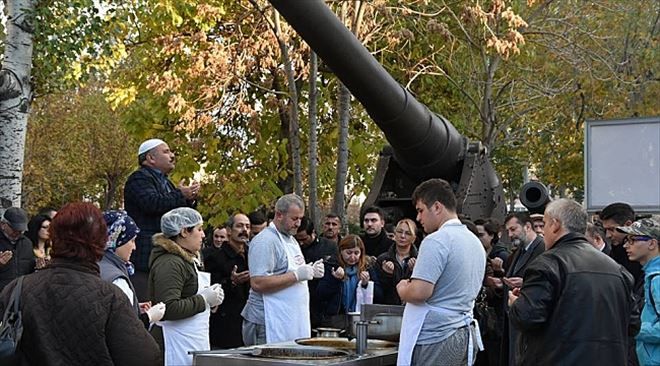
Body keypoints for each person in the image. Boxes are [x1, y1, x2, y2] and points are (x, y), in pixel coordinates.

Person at [0, 202, 161, 365]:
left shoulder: (17, 289)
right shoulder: (110, 296)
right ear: (100, 241)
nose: (134, 246)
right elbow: (145, 356)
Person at [508, 199, 634, 365]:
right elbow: (632, 323)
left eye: (544, 224)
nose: (542, 231)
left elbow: (528, 317)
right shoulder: (617, 269)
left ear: (555, 224)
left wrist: (516, 304)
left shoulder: (547, 264)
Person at [396, 178, 485, 366]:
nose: (418, 218)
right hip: (463, 334)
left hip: (437, 338)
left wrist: (403, 288)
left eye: (420, 210)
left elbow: (420, 292)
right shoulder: (474, 241)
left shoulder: (436, 240)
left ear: (437, 207)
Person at [241, 194, 324, 345]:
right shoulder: (265, 241)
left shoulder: (290, 239)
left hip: (288, 319)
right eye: (294, 219)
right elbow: (258, 283)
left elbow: (287, 271)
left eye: (300, 218)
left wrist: (311, 271)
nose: (298, 223)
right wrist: (297, 275)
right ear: (279, 215)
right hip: (267, 321)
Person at [124, 138, 200, 300]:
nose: (172, 156)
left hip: (163, 258)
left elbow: (178, 217)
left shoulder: (167, 182)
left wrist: (189, 199)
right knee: (146, 306)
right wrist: (181, 194)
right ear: (150, 158)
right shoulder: (138, 178)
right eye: (166, 152)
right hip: (145, 257)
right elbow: (152, 203)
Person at [149, 207, 224, 366]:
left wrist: (211, 303)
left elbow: (187, 296)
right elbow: (168, 307)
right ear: (184, 232)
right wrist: (203, 300)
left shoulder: (188, 259)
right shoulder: (170, 263)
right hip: (173, 345)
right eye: (199, 229)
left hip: (192, 341)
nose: (203, 235)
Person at [99, 211, 166, 329]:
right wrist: (149, 317)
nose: (134, 247)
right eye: (132, 241)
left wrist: (134, 307)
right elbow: (128, 330)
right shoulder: (116, 279)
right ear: (115, 240)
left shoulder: (96, 265)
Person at [498, 212, 545, 366]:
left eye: (513, 229)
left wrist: (525, 283)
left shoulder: (542, 248)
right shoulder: (521, 250)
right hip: (515, 320)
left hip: (527, 321)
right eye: (508, 231)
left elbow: (546, 281)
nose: (510, 235)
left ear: (527, 227)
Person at [204, 213, 251, 349]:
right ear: (229, 231)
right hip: (227, 320)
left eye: (247, 226)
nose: (244, 230)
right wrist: (231, 282)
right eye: (239, 226)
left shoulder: (252, 253)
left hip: (249, 317)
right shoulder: (215, 257)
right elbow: (210, 289)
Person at [619, 216, 660, 366]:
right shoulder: (651, 275)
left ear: (652, 243)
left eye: (633, 240)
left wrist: (632, 328)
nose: (626, 246)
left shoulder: (657, 279)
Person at [317, 235, 382, 328]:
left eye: (356, 253)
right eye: (348, 253)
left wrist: (366, 284)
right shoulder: (331, 265)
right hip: (335, 319)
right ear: (341, 251)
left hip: (360, 318)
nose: (352, 257)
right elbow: (320, 293)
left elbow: (379, 296)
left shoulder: (368, 268)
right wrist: (335, 280)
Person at [295, 216, 338, 328]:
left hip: (322, 302)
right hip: (300, 298)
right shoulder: (294, 247)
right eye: (298, 239)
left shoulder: (329, 246)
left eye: (304, 239)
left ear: (313, 233)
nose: (300, 243)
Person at [376, 218, 418, 305]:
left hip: (412, 309)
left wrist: (415, 272)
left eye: (408, 233)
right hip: (388, 310)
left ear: (413, 238)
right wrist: (387, 275)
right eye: (400, 232)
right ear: (395, 234)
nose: (402, 236)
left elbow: (421, 290)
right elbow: (378, 293)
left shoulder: (420, 260)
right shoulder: (383, 259)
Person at [0, 207, 34, 292]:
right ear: (3, 224)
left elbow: (29, 270)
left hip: (21, 295)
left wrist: (38, 267)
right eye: (14, 229)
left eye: (21, 230)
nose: (17, 233)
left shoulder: (27, 243)